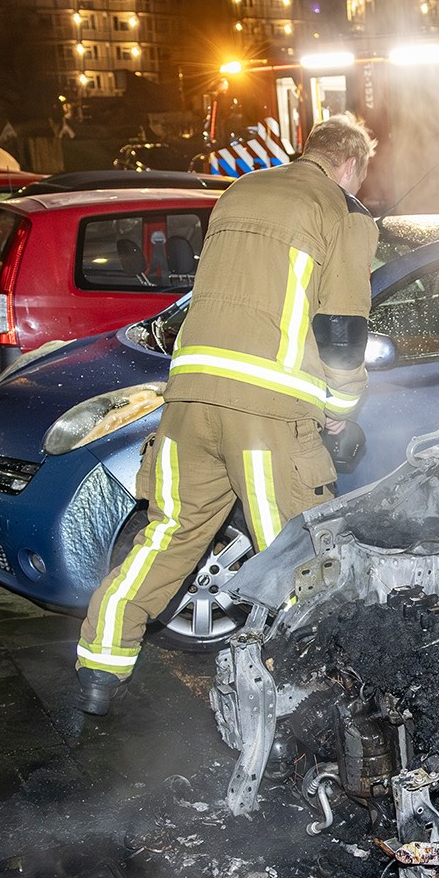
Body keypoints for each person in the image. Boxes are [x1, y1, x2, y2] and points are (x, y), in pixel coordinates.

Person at [75, 115, 379, 715]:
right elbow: (342, 325)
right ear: (349, 164)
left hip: (189, 398)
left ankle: (99, 667)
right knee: (294, 550)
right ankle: (310, 692)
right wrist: (342, 407)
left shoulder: (240, 191)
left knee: (167, 535)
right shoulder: (341, 210)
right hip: (268, 412)